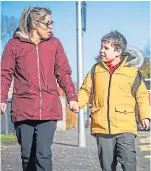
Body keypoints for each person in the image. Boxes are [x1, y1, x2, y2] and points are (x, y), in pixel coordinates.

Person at [0, 7, 79, 171]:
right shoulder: (14, 45)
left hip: (48, 109)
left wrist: (72, 96)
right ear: (35, 23)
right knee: (27, 155)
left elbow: (63, 72)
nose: (51, 26)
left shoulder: (54, 44)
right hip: (24, 108)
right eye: (47, 23)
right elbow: (5, 73)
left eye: (52, 22)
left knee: (43, 154)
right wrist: (1, 98)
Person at [78, 30, 150, 171]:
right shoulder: (95, 70)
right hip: (102, 127)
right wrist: (77, 103)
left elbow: (141, 95)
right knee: (107, 166)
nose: (101, 50)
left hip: (125, 127)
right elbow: (86, 91)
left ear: (118, 51)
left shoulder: (132, 72)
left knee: (129, 163)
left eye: (106, 48)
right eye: (101, 47)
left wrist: (145, 115)